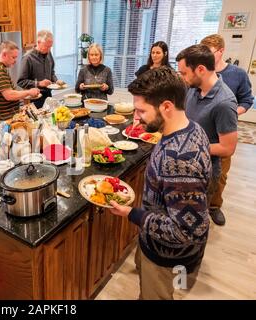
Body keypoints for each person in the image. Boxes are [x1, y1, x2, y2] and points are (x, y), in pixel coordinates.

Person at [109, 67, 212, 300]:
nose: (136, 117)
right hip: (166, 246)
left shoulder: (178, 160)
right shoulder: (192, 128)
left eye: (141, 110)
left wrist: (130, 214)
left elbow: (184, 231)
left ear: (166, 106)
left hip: (167, 254)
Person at [176, 44, 238, 226]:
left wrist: (189, 147)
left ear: (201, 69)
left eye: (184, 73)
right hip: (184, 164)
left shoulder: (224, 102)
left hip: (204, 172)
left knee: (193, 222)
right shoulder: (193, 89)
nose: (182, 78)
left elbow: (228, 148)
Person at [200, 34, 254, 225]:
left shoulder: (237, 74)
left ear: (221, 51)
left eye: (209, 52)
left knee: (220, 173)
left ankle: (215, 206)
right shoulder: (202, 72)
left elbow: (248, 100)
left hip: (223, 130)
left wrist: (232, 112)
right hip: (203, 130)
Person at [0, 41, 40, 123]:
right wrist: (29, 92)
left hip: (5, 115)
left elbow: (8, 92)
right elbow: (9, 95)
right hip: (2, 119)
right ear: (4, 54)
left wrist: (23, 99)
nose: (15, 61)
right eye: (13, 57)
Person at [18, 30, 65, 108]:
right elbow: (21, 82)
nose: (49, 49)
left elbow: (52, 72)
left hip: (48, 95)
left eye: (50, 46)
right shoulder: (28, 58)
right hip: (34, 98)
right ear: (38, 42)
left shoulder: (49, 54)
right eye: (46, 46)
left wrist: (56, 80)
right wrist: (39, 83)